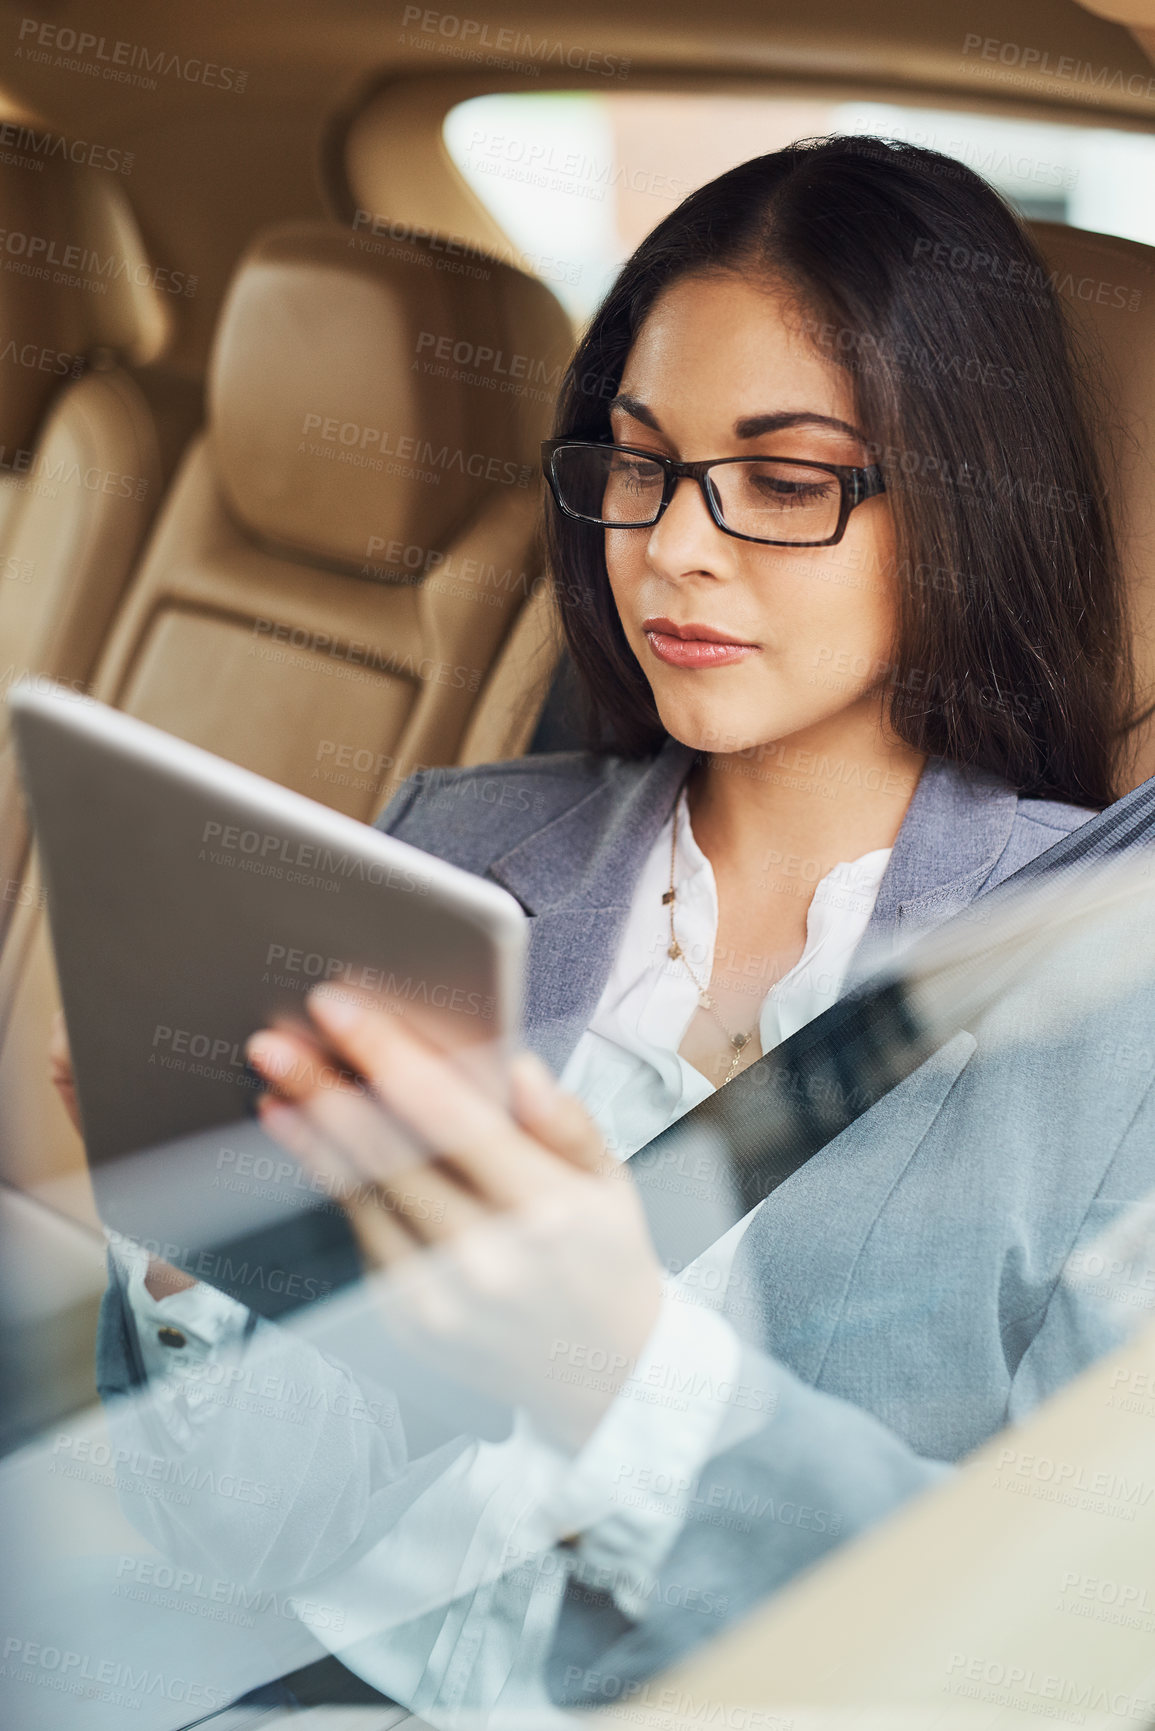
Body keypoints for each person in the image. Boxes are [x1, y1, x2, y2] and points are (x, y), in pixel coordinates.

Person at [70, 136, 1155, 1722]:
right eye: (637, 464)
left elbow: (1056, 1651)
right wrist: (189, 1242)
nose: (673, 546)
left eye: (784, 480)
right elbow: (244, 1529)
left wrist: (620, 1366)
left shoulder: (1102, 981)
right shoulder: (451, 859)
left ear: (976, 504)